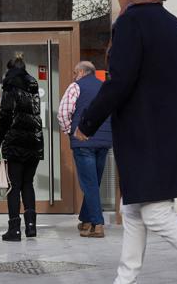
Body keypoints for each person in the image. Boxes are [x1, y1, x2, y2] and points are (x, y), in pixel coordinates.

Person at [74, 0, 177, 283]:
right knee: (131, 209)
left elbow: (119, 81)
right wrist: (166, 109)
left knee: (157, 215)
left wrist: (88, 123)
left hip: (143, 138)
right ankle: (125, 279)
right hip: (165, 134)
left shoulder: (131, 24)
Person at [57, 61, 112, 238]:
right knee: (94, 182)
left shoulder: (76, 87)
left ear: (82, 72)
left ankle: (97, 224)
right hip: (103, 142)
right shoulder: (105, 87)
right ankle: (86, 220)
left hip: (83, 140)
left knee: (89, 183)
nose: (74, 76)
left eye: (75, 73)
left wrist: (70, 131)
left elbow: (63, 113)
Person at [0, 54, 43, 242]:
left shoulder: (10, 85)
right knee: (28, 183)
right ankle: (31, 227)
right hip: (34, 141)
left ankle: (14, 229)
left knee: (14, 186)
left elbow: (6, 116)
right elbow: (29, 112)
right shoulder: (33, 84)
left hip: (15, 142)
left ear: (10, 69)